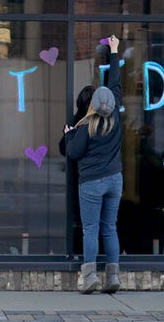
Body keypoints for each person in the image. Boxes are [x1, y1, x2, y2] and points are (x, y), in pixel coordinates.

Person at [64, 34, 123, 294]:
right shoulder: (116, 119)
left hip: (91, 183)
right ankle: (113, 277)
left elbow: (73, 153)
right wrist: (114, 51)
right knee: (109, 227)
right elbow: (116, 82)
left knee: (90, 229)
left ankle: (89, 278)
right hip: (115, 180)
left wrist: (69, 134)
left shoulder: (85, 126)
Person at [59, 85, 94, 256]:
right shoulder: (96, 121)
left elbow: (64, 148)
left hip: (79, 175)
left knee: (84, 220)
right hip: (88, 175)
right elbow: (65, 148)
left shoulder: (77, 121)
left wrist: (69, 135)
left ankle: (80, 252)